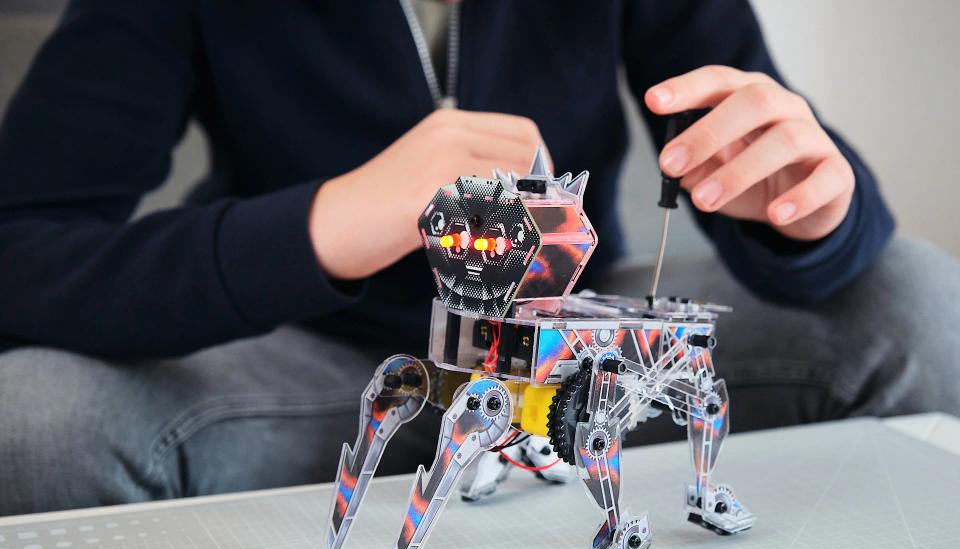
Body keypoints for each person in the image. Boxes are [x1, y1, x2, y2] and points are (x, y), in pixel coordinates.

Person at [0, 1, 956, 516]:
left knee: (917, 300)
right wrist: (321, 226)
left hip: (566, 340)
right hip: (307, 352)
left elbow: (813, 199)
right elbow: (23, 251)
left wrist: (810, 215)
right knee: (33, 421)